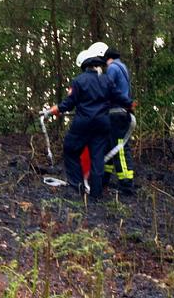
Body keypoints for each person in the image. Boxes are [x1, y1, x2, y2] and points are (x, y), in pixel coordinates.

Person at [47, 43, 128, 198]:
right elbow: (119, 97)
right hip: (102, 125)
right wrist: (129, 105)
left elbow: (69, 103)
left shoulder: (79, 81)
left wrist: (57, 109)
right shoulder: (106, 81)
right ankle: (96, 195)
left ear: (85, 65)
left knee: (71, 149)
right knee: (98, 158)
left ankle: (77, 187)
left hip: (83, 124)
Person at [102, 45, 136, 194]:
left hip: (116, 113)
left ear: (108, 59)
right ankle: (103, 180)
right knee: (109, 147)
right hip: (122, 113)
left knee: (119, 148)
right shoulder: (123, 68)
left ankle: (126, 183)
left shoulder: (112, 68)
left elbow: (107, 88)